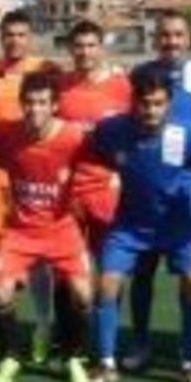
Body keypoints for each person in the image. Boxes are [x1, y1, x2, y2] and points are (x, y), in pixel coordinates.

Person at [87, 68, 191, 382]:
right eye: (145, 103)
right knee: (107, 283)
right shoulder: (112, 130)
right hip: (130, 225)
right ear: (133, 102)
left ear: (169, 103)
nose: (151, 111)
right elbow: (89, 150)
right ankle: (106, 361)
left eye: (158, 104)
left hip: (178, 225)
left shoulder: (189, 133)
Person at [0, 71, 94, 382]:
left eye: (43, 102)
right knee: (0, 290)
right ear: (21, 104)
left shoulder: (74, 137)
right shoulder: (6, 133)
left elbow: (105, 154)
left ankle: (73, 356)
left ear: (55, 105)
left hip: (61, 229)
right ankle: (12, 355)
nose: (35, 109)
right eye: (29, 102)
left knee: (84, 294)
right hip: (21, 231)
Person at [122, 10, 191, 371]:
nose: (171, 41)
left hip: (187, 188)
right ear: (155, 39)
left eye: (178, 34)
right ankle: (140, 342)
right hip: (144, 183)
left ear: (189, 38)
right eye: (164, 35)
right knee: (142, 271)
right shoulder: (140, 73)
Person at [0, 10, 61, 364]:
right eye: (9, 34)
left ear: (31, 37)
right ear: (1, 37)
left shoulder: (48, 71)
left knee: (39, 257)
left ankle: (42, 326)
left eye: (21, 34)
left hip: (34, 177)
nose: (15, 40)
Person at [57, 20, 131, 257]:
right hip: (69, 189)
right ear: (70, 49)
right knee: (69, 263)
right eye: (79, 46)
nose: (85, 52)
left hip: (106, 189)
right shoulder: (59, 86)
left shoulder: (122, 86)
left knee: (108, 263)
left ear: (101, 48)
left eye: (91, 45)